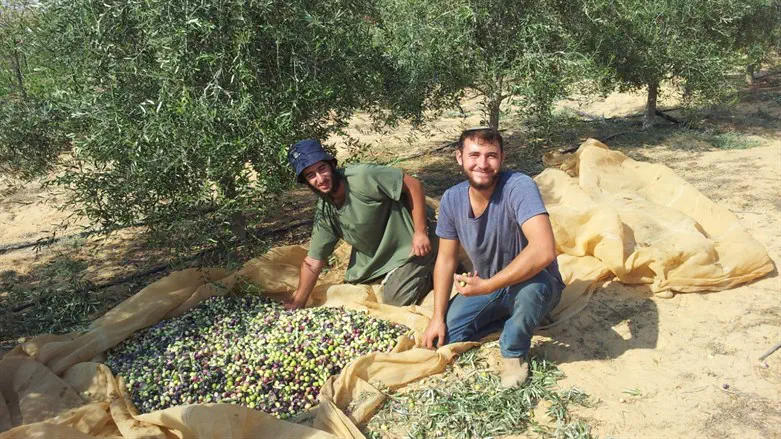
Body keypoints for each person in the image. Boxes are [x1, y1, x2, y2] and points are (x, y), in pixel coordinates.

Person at [421, 127, 564, 388]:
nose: (482, 164)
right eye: (474, 155)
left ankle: (513, 352)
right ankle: (518, 316)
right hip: (487, 284)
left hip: (533, 281)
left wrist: (488, 285)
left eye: (491, 156)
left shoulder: (519, 187)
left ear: (502, 157)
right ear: (459, 157)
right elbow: (445, 260)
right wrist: (437, 317)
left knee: (534, 291)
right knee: (449, 335)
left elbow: (543, 250)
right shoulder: (452, 199)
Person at [284, 139, 437, 309]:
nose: (320, 179)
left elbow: (413, 185)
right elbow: (313, 261)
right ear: (306, 182)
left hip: (413, 244)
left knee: (395, 300)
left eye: (322, 169)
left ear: (331, 165)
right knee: (354, 294)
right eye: (311, 175)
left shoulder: (362, 177)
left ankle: (439, 264)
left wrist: (421, 232)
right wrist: (298, 302)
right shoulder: (326, 211)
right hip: (381, 256)